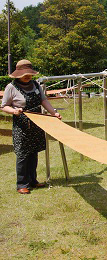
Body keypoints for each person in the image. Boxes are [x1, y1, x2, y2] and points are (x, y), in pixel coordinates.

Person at [1, 60, 61, 195]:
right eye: (24, 74)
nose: (28, 76)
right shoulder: (11, 87)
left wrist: (54, 113)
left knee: (33, 153)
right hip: (21, 125)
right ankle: (21, 184)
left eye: (29, 74)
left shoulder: (36, 84)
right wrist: (13, 111)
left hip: (36, 124)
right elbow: (4, 106)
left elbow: (43, 100)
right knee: (22, 154)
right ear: (18, 74)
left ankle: (33, 180)